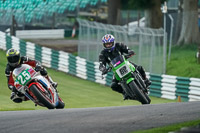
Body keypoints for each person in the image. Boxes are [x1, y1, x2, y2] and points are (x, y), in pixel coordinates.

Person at [99, 34, 151, 100]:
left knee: (139, 68)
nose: (108, 45)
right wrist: (103, 69)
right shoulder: (103, 53)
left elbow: (127, 49)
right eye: (107, 44)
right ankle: (125, 93)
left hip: (125, 63)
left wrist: (130, 52)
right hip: (116, 70)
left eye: (110, 43)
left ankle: (145, 80)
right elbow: (101, 64)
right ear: (104, 45)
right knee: (113, 85)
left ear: (113, 42)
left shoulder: (119, 45)